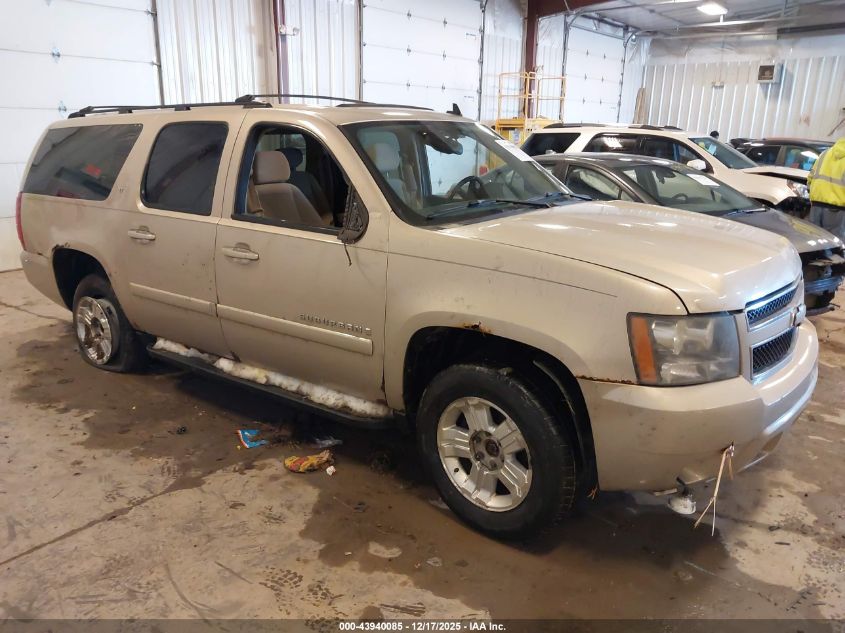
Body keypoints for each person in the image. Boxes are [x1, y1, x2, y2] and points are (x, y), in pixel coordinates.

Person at [808, 136, 845, 241]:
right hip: (839, 210)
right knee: (836, 245)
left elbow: (810, 177)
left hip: (816, 205)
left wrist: (812, 194)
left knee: (815, 241)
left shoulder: (824, 154)